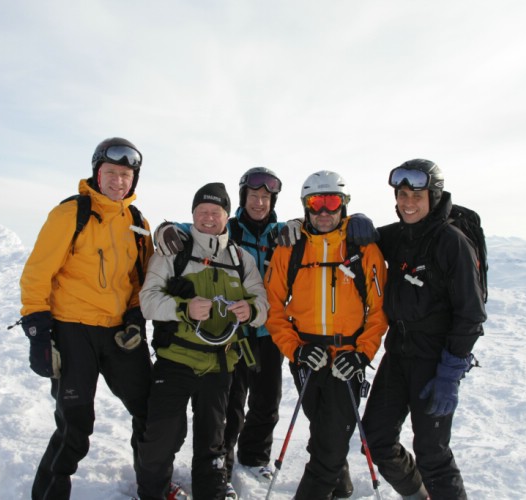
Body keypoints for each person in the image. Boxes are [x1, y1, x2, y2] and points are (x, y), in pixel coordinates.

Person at [153, 168, 379, 499]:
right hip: (230, 334)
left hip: (268, 331)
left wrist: (357, 217)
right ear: (242, 198)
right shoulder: (226, 227)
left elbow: (323, 227)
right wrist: (164, 227)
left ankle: (255, 455)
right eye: (252, 196)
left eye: (265, 197)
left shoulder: (282, 232)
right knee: (232, 404)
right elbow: (195, 227)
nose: (259, 202)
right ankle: (224, 467)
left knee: (267, 401)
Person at [18, 137, 155, 499]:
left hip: (118, 333)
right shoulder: (70, 213)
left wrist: (135, 316)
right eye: (111, 173)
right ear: (97, 172)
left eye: (126, 175)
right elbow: (37, 273)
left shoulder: (139, 223)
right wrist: (37, 331)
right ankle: (49, 493)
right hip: (72, 329)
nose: (119, 181)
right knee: (75, 423)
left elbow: (143, 280)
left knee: (151, 411)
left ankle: (152, 485)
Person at [361, 159, 487, 500]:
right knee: (376, 439)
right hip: (399, 352)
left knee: (433, 454)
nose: (408, 202)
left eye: (416, 195)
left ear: (433, 196)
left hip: (435, 359)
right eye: (402, 194)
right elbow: (358, 237)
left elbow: (471, 314)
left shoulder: (452, 242)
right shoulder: (398, 235)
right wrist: (356, 222)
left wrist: (449, 372)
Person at [137, 182, 270, 500]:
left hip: (220, 364)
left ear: (227, 216)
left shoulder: (241, 260)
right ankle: (153, 493)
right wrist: (184, 308)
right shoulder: (173, 252)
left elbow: (262, 306)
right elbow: (148, 301)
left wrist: (249, 310)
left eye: (216, 212)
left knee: (213, 440)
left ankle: (210, 492)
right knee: (161, 435)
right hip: (176, 361)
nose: (208, 218)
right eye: (202, 212)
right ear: (193, 214)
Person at [264, 170, 388, 500]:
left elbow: (379, 312)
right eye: (315, 203)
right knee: (322, 430)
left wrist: (361, 355)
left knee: (327, 449)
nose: (323, 211)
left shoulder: (363, 249)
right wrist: (296, 351)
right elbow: (273, 308)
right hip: (307, 357)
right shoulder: (289, 249)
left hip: (347, 359)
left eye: (331, 202)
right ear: (305, 206)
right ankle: (342, 488)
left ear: (343, 205)